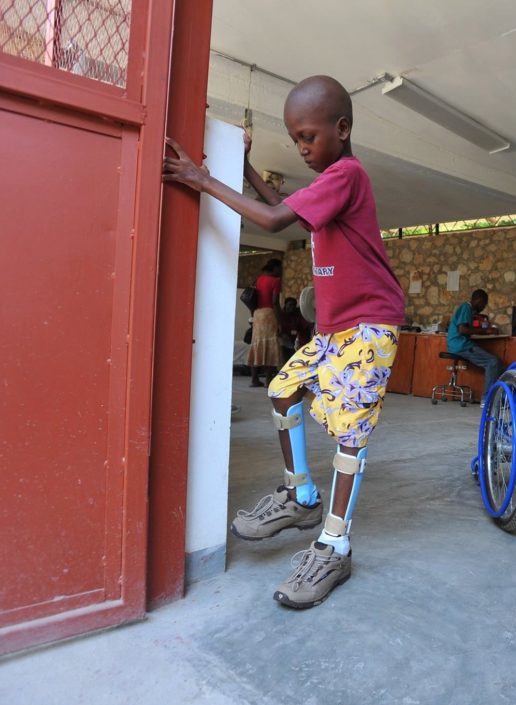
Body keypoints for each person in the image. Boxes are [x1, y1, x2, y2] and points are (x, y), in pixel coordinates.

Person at [163, 75, 405, 609]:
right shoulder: (329, 183)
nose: (301, 147)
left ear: (341, 130)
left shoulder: (347, 174)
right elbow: (284, 205)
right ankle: (301, 497)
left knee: (350, 432)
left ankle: (334, 546)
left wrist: (201, 179)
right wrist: (244, 167)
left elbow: (274, 220)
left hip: (369, 325)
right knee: (281, 390)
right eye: (295, 138)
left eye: (308, 137)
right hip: (334, 330)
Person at [447, 289, 502, 394]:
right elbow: (463, 330)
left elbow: (466, 329)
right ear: (479, 300)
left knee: (496, 363)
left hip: (457, 345)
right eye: (484, 304)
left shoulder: (468, 309)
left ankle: (495, 395)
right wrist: (486, 331)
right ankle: (488, 399)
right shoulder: (466, 307)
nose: (483, 308)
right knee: (493, 362)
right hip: (461, 345)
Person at [248, 258, 283, 387]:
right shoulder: (275, 281)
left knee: (256, 345)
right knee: (270, 346)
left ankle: (254, 379)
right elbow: (275, 302)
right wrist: (280, 321)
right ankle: (268, 380)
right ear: (274, 268)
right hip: (269, 314)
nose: (281, 271)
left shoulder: (259, 279)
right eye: (279, 268)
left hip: (257, 314)